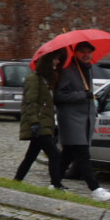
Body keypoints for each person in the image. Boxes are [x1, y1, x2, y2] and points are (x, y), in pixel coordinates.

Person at [55, 41, 110, 202]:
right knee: (83, 155)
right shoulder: (68, 71)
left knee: (67, 155)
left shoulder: (86, 70)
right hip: (71, 120)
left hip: (84, 119)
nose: (86, 54)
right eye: (82, 51)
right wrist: (82, 95)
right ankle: (95, 189)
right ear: (75, 53)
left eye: (88, 52)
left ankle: (54, 183)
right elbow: (58, 96)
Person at [14, 49, 66, 189]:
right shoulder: (34, 78)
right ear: (47, 61)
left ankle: (16, 181)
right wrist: (34, 122)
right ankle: (56, 184)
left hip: (43, 124)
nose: (57, 61)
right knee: (54, 154)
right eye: (55, 59)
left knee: (30, 156)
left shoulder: (46, 80)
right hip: (39, 124)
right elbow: (31, 102)